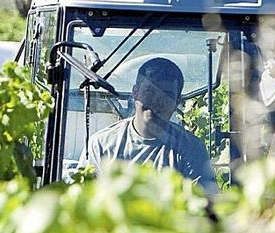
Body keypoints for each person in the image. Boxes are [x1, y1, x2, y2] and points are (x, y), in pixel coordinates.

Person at [80, 57, 218, 195]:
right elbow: (84, 201)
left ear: (176, 102)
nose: (157, 100)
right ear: (135, 92)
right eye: (149, 91)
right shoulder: (101, 145)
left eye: (167, 95)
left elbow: (205, 206)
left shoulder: (191, 149)